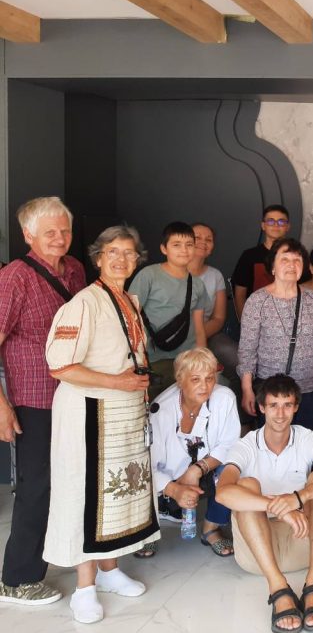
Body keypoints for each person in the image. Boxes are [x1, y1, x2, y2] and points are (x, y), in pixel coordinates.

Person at [43, 225, 158, 624]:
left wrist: (131, 385)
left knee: (116, 494)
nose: (121, 259)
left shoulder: (130, 300)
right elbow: (60, 366)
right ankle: (84, 588)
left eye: (129, 253)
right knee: (86, 495)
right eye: (113, 252)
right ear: (98, 258)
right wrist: (118, 382)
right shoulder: (83, 304)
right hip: (88, 413)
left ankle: (109, 570)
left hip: (123, 413)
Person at [0, 196, 85, 607]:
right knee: (36, 487)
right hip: (34, 399)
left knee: (71, 482)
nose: (59, 238)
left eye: (64, 230)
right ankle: (17, 579)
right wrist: (1, 405)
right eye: (49, 232)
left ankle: (70, 558)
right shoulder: (14, 277)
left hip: (76, 394)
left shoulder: (75, 270)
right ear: (28, 235)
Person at [217, 374, 313, 633]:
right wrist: (277, 507)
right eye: (273, 405)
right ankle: (278, 589)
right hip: (258, 555)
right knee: (246, 485)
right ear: (261, 407)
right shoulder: (245, 445)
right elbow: (222, 493)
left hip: (303, 544)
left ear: (296, 407)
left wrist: (298, 498)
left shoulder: (306, 437)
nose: (280, 414)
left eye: (287, 405)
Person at [141, 346, 240, 558]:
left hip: (205, 469)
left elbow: (230, 445)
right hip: (166, 477)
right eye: (195, 379)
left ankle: (211, 528)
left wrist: (196, 470)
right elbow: (148, 465)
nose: (205, 386)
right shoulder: (160, 411)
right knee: (137, 474)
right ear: (180, 381)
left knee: (231, 468)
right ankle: (147, 533)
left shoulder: (225, 399)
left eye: (210, 378)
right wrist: (174, 490)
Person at [238, 238, 313, 431]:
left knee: (305, 441)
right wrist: (246, 389)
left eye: (297, 260)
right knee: (273, 441)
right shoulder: (257, 301)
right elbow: (247, 351)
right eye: (285, 259)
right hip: (272, 393)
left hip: (310, 390)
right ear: (272, 266)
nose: (292, 265)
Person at [129, 221, 210, 397]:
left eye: (189, 245)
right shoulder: (148, 275)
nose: (184, 250)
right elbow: (130, 317)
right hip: (153, 360)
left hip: (186, 360)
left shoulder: (197, 284)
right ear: (164, 249)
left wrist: (202, 359)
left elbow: (199, 327)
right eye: (176, 245)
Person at [189, 222, 239, 394]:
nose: (203, 242)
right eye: (197, 237)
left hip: (207, 333)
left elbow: (218, 318)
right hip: (172, 338)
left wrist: (197, 336)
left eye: (208, 239)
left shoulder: (215, 275)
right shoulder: (170, 272)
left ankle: (239, 409)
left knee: (236, 358)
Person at [231, 204, 293, 322]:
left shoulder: (296, 256)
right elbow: (239, 293)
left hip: (288, 321)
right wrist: (245, 323)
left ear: (288, 227)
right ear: (263, 226)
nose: (276, 225)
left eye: (281, 222)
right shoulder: (249, 256)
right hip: (256, 321)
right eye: (270, 221)